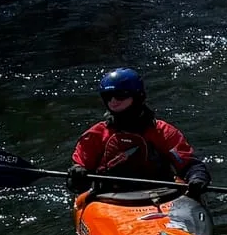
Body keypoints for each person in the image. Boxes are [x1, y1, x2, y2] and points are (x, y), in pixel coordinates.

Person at [69, 68, 211, 197]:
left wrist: (197, 177)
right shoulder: (96, 135)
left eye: (120, 96)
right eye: (108, 96)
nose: (113, 101)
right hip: (110, 199)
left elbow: (189, 164)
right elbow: (77, 177)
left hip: (161, 194)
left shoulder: (162, 132)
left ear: (137, 96)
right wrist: (77, 175)